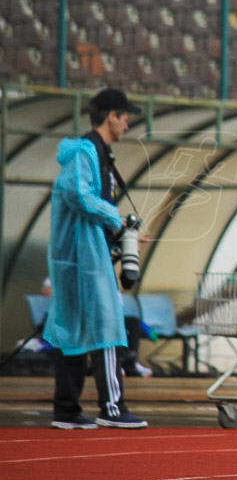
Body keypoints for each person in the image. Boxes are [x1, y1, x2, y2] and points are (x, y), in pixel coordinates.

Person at [44, 88, 148, 429]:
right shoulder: (86, 152)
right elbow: (78, 195)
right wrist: (116, 218)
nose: (127, 123)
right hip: (81, 257)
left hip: (82, 255)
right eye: (124, 116)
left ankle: (67, 410)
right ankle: (112, 408)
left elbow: (88, 203)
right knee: (107, 327)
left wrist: (122, 234)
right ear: (111, 116)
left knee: (72, 330)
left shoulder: (98, 155)